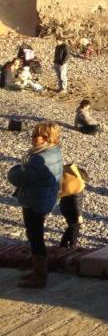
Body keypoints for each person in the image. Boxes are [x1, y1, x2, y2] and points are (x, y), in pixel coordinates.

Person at [7, 122, 63, 288]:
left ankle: (40, 276)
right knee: (35, 235)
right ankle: (38, 272)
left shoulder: (40, 158)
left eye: (35, 135)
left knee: (35, 237)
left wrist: (15, 169)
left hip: (36, 200)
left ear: (46, 138)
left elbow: (17, 177)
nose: (31, 138)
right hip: (43, 197)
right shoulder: (54, 151)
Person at [58, 161, 88, 248]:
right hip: (72, 210)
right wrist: (79, 216)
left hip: (64, 207)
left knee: (71, 226)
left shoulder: (70, 184)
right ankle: (72, 244)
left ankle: (63, 244)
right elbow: (77, 202)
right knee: (75, 227)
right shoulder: (78, 186)